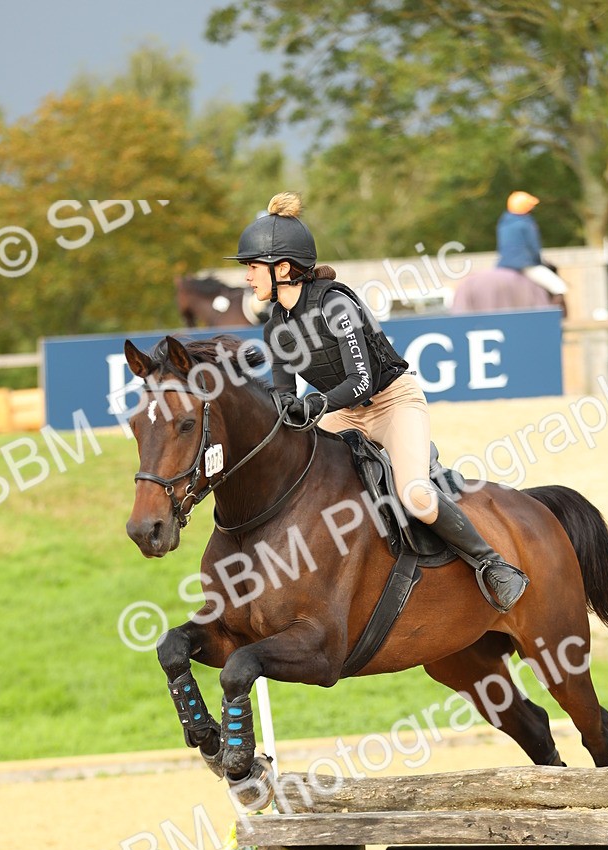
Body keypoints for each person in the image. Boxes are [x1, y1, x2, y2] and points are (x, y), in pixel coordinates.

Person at [225, 192, 529, 612]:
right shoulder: (276, 324)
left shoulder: (336, 305)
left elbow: (362, 380)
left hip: (391, 404)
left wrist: (314, 406)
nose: (247, 277)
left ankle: (492, 564)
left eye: (253, 268)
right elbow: (284, 394)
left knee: (415, 496)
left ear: (283, 268)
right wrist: (280, 412)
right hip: (342, 413)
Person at [496, 192, 568, 300]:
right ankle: (555, 315)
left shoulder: (503, 223)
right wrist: (540, 262)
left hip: (503, 264)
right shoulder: (526, 223)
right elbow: (533, 247)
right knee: (559, 286)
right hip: (524, 264)